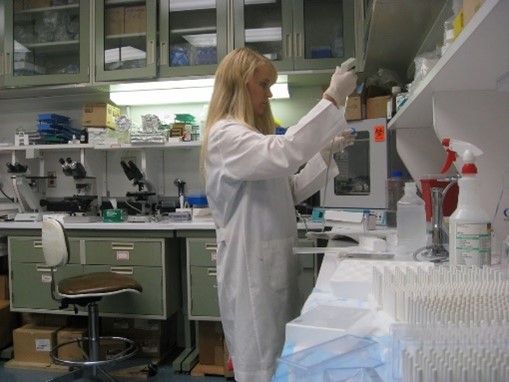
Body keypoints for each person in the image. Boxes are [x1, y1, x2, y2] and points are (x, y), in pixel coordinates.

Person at [199, 47, 357, 382]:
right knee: (262, 364)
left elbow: (289, 190)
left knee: (281, 359)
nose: (269, 94)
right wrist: (331, 98)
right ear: (241, 85)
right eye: (264, 84)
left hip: (271, 264)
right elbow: (286, 153)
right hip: (252, 272)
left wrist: (327, 152)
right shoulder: (227, 135)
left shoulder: (251, 136)